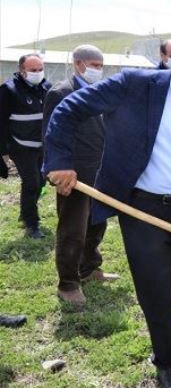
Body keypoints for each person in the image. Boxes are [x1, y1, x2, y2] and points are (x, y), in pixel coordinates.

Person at [44, 30, 171, 388]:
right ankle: (166, 362)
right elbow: (69, 108)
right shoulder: (137, 85)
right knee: (156, 290)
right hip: (141, 208)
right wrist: (60, 160)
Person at [42, 45, 119, 306]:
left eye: (101, 65)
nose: (98, 69)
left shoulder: (99, 93)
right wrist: (56, 171)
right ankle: (68, 283)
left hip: (100, 170)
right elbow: (51, 135)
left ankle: (89, 269)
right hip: (73, 173)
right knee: (73, 228)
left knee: (98, 223)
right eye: (93, 64)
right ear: (77, 64)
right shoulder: (61, 93)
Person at [0, 53, 51, 238]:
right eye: (32, 70)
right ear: (22, 71)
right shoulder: (9, 89)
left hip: (41, 145)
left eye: (40, 69)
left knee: (42, 181)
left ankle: (25, 212)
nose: (37, 73)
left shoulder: (46, 87)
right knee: (31, 182)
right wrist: (3, 151)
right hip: (20, 146)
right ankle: (32, 223)